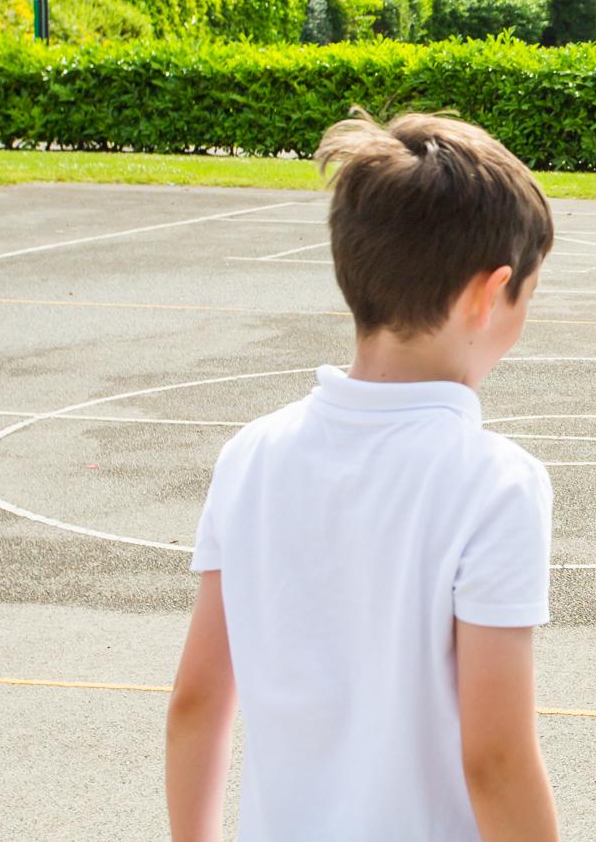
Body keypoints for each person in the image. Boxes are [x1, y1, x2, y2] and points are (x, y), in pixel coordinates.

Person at [166, 112, 561, 842]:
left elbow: (197, 699)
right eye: (527, 296)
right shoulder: (498, 484)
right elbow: (497, 760)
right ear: (488, 294)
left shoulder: (251, 453)